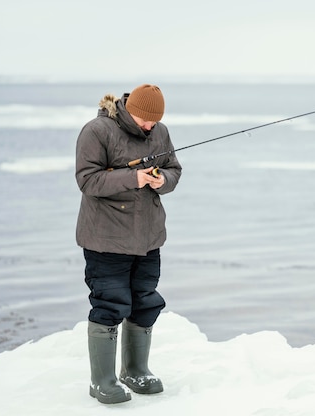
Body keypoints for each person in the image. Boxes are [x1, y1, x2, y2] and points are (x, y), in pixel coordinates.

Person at [75, 84, 182, 404]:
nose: (150, 126)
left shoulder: (160, 131)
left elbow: (174, 169)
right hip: (106, 238)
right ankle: (102, 381)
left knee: (145, 301)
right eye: (145, 120)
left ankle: (135, 370)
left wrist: (163, 180)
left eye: (155, 121)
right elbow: (88, 180)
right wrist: (133, 178)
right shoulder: (97, 131)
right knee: (110, 304)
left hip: (148, 237)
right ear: (127, 109)